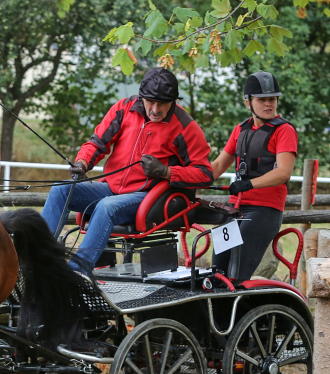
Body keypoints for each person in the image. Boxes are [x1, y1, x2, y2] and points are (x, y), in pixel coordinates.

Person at [41, 67, 213, 274]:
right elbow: (97, 143)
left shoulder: (185, 127)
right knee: (61, 190)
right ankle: (38, 261)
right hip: (111, 189)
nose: (156, 109)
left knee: (106, 206)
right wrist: (82, 163)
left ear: (173, 102)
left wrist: (166, 172)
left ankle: (77, 274)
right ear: (141, 98)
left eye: (163, 104)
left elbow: (204, 174)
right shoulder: (124, 108)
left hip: (147, 197)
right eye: (151, 102)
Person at [210, 70, 298, 281]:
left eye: (272, 99)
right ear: (248, 103)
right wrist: (188, 181)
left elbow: (284, 172)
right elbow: (220, 164)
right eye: (262, 100)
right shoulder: (240, 129)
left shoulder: (284, 130)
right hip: (235, 208)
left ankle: (252, 312)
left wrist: (248, 185)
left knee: (237, 274)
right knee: (217, 270)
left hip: (264, 210)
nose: (269, 104)